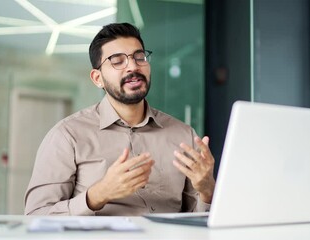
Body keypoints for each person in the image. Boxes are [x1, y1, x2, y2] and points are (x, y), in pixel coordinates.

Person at [24, 23, 216, 215]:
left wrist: (207, 191)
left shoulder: (183, 135)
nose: (133, 66)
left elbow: (197, 219)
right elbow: (35, 215)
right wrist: (98, 194)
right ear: (97, 78)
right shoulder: (67, 135)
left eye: (139, 57)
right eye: (117, 61)